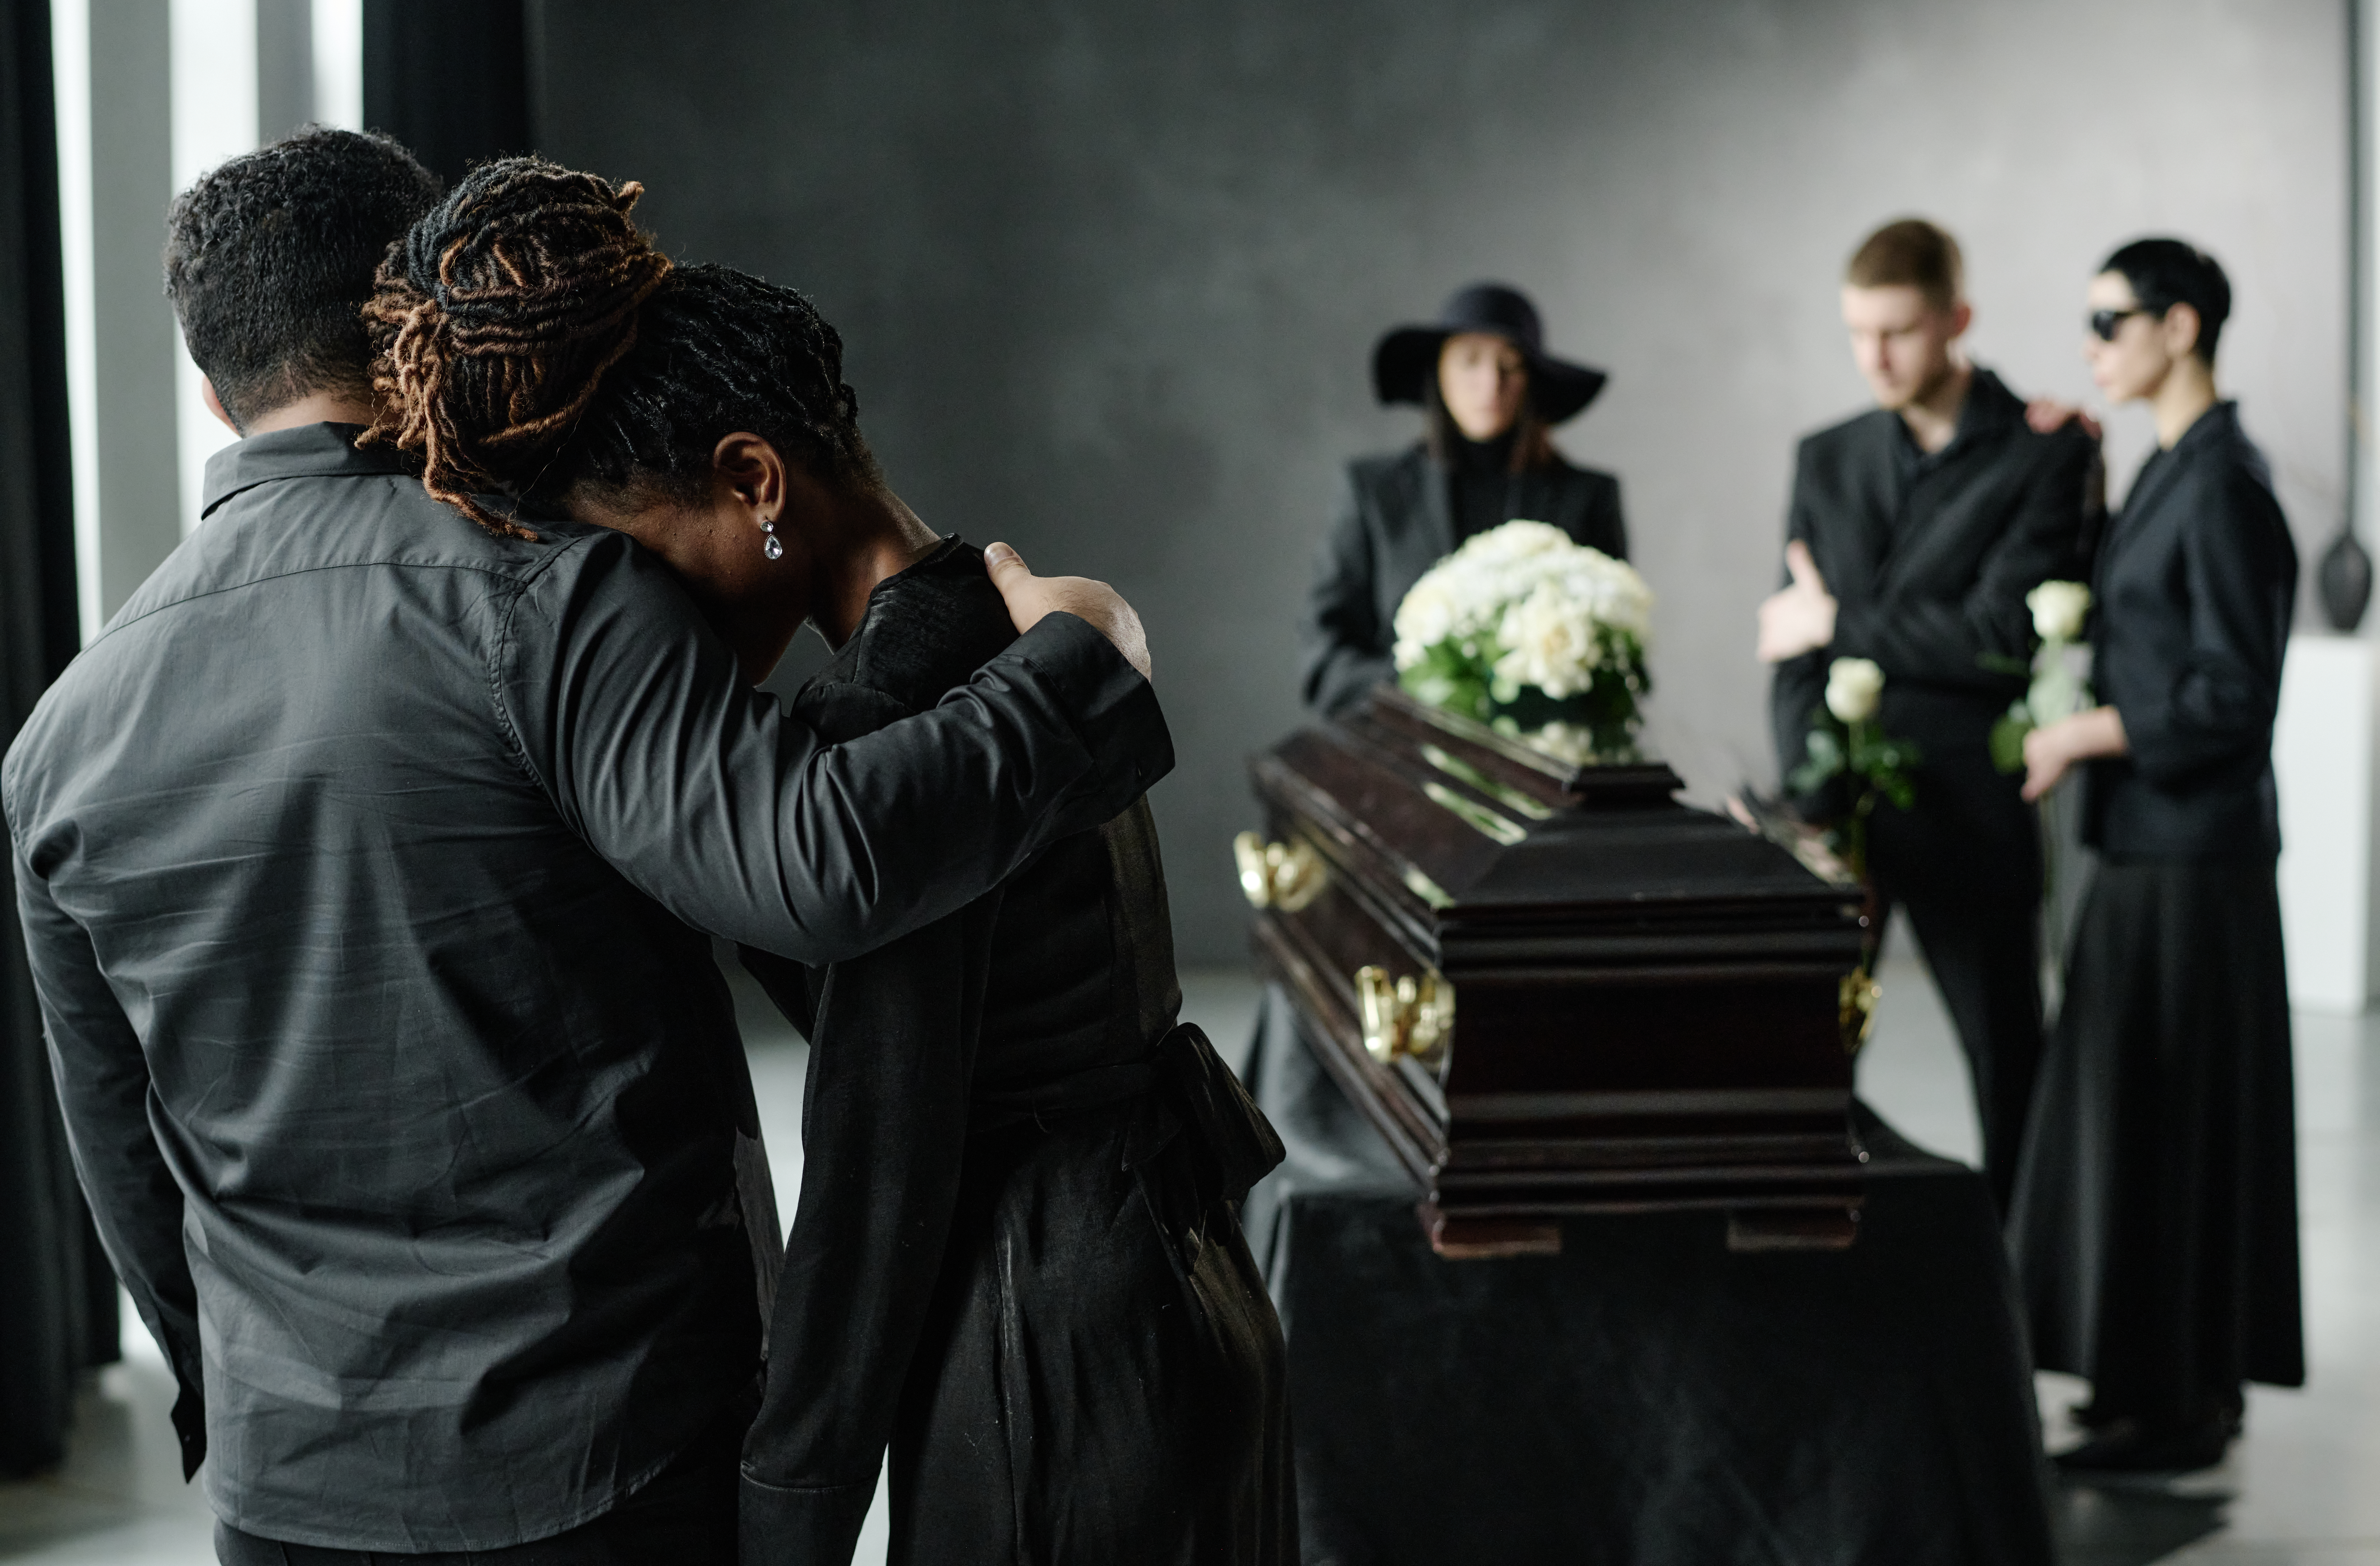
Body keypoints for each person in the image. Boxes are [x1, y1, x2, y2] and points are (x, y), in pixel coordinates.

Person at [2, 129, 1167, 1563]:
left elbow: (120, 1151)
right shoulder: (550, 602)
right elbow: (818, 866)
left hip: (284, 1476)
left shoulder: (59, 737)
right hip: (608, 1454)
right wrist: (1083, 662)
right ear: (417, 324)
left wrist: (235, 1404)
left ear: (211, 388)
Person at [364, 157, 1296, 1566]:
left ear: (753, 480)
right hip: (1185, 1286)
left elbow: (877, 1170)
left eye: (651, 565)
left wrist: (785, 1515)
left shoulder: (881, 735)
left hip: (1042, 1343)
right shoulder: (1012, 630)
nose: (648, 626)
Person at [2010, 238, 2303, 1475]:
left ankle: (2177, 1401)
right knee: (2148, 1116)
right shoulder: (2170, 471)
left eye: (2108, 320)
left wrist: (2084, 730)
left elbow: (2233, 695)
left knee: (2173, 1118)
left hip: (2189, 856)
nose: (2092, 342)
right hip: (2151, 846)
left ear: (2179, 327)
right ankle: (2162, 1386)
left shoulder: (2225, 483)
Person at [1757, 218, 2097, 1214]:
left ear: (1957, 320)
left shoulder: (2042, 450)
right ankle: (1822, 1278)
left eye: (1898, 332)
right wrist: (1806, 798)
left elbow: (2001, 636)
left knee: (2008, 1065)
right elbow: (1791, 648)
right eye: (1857, 333)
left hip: (1970, 806)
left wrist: (1841, 620)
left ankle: (2023, 1307)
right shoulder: (1824, 457)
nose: (1874, 358)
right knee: (1804, 1067)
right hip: (1837, 813)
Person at [1301, 282, 1625, 717]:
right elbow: (1326, 657)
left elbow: (1615, 651)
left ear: (1532, 381)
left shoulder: (1587, 497)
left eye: (1510, 366)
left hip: (1544, 757)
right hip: (1398, 754)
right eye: (1470, 361)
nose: (1490, 384)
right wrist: (1431, 690)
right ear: (1440, 371)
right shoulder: (1372, 491)